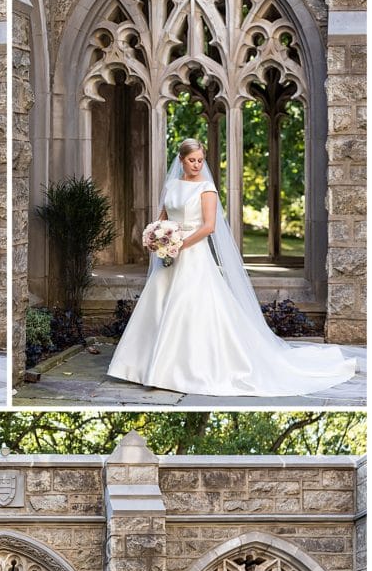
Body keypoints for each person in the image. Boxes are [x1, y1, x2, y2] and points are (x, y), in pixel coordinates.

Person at [107, 138, 357, 397]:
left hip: (193, 256)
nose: (196, 164)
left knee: (185, 306)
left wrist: (179, 244)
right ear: (181, 160)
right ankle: (144, 366)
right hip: (168, 255)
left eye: (200, 160)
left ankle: (172, 370)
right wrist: (155, 237)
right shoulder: (172, 185)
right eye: (192, 160)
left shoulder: (206, 189)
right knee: (158, 304)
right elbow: (163, 218)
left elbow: (208, 227)